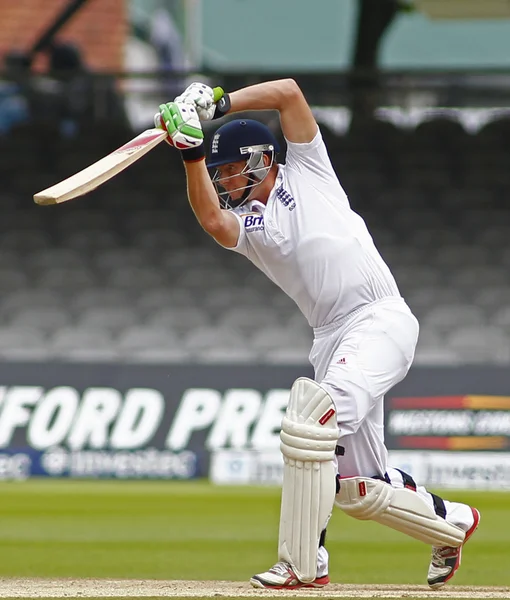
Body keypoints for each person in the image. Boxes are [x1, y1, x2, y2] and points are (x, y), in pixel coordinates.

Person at [154, 79, 480, 590]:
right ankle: (453, 522)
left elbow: (288, 93)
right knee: (357, 489)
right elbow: (213, 221)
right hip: (330, 338)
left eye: (229, 169)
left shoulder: (308, 170)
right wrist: (192, 156)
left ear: (261, 159)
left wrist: (217, 103)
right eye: (217, 174)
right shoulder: (248, 224)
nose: (223, 181)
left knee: (311, 419)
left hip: (379, 319)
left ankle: (304, 563)